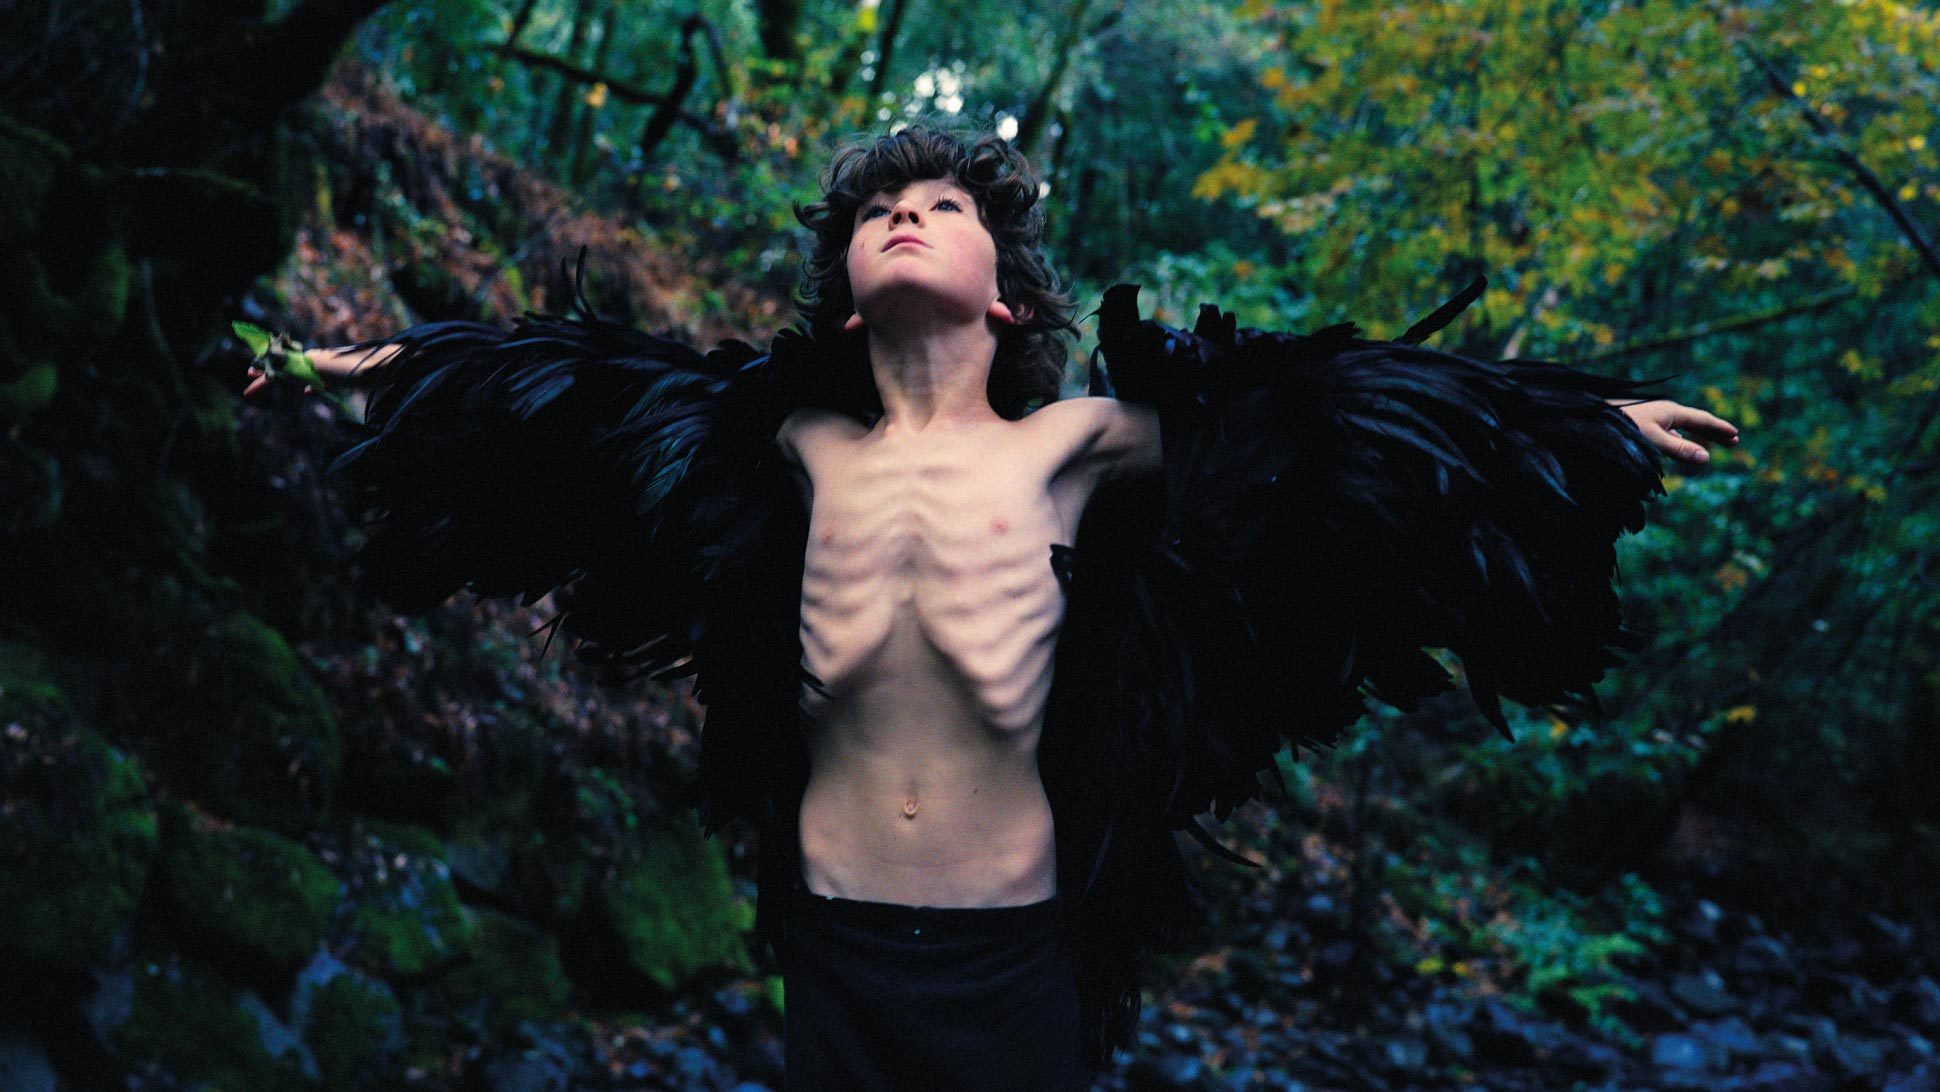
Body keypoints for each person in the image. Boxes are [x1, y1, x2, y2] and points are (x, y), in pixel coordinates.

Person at [246, 125, 1738, 1090]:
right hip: (832, 947)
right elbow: (558, 399)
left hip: (1011, 957)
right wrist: (338, 367)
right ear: (845, 294)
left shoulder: (1070, 447)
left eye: (941, 203)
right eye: (878, 209)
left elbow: (1327, 424)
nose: (904, 214)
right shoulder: (795, 445)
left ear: (1008, 294)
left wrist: (1584, 425)